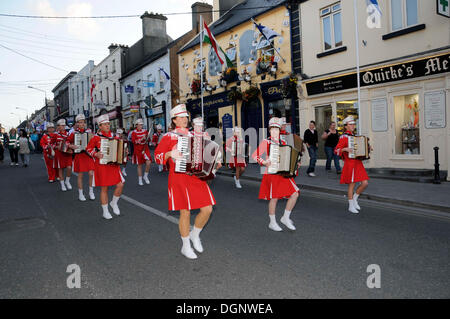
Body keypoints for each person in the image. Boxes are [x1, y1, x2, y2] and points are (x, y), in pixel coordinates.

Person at [155, 104, 216, 260]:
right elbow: (157, 157)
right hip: (178, 178)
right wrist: (170, 153)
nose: (184, 120)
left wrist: (212, 153)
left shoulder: (196, 135)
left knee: (207, 209)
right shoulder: (168, 137)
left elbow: (208, 154)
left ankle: (195, 235)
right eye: (180, 117)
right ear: (174, 120)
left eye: (185, 117)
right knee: (185, 212)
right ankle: (185, 245)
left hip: (196, 177)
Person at [252, 117, 300, 231]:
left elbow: (288, 157)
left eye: (276, 129)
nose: (274, 131)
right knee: (274, 198)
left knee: (295, 194)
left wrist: (295, 163)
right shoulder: (266, 142)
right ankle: (272, 222)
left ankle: (285, 217)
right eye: (272, 129)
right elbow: (254, 155)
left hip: (283, 174)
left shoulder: (283, 142)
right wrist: (264, 162)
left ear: (279, 130)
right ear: (269, 130)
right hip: (272, 174)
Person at [86, 114, 125, 220]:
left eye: (108, 124)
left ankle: (114, 203)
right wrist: (96, 154)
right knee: (105, 188)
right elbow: (88, 149)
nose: (108, 126)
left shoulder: (114, 136)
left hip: (113, 165)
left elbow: (120, 146)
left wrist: (124, 152)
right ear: (100, 126)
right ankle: (105, 211)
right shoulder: (96, 137)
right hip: (102, 166)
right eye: (105, 124)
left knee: (120, 184)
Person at [334, 116, 369, 214]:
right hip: (350, 163)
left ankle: (355, 199)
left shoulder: (354, 136)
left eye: (354, 124)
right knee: (352, 185)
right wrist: (345, 149)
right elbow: (336, 150)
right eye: (351, 124)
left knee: (365, 183)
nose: (353, 126)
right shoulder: (344, 137)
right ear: (346, 126)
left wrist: (367, 148)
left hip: (358, 162)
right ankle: (350, 205)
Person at [67, 114, 95, 201]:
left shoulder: (89, 132)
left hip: (88, 155)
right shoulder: (74, 133)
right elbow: (67, 142)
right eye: (80, 122)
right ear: (77, 124)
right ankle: (80, 193)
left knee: (91, 173)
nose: (82, 124)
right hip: (79, 155)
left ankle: (91, 191)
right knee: (80, 175)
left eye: (83, 122)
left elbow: (94, 142)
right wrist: (72, 146)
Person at [52, 119, 73, 191]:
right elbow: (51, 144)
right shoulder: (55, 134)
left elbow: (71, 142)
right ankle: (62, 184)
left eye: (64, 125)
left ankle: (67, 181)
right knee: (60, 169)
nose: (63, 127)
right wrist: (56, 147)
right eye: (62, 125)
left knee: (69, 167)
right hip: (59, 154)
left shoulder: (68, 134)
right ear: (58, 126)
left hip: (67, 153)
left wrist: (71, 146)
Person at [131, 119, 152, 185]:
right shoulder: (133, 132)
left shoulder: (145, 131)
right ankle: (140, 179)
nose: (141, 126)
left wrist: (147, 138)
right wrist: (141, 139)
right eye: (140, 125)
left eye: (142, 125)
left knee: (148, 162)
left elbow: (148, 139)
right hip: (138, 150)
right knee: (139, 165)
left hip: (145, 148)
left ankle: (145, 176)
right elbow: (134, 141)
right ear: (136, 125)